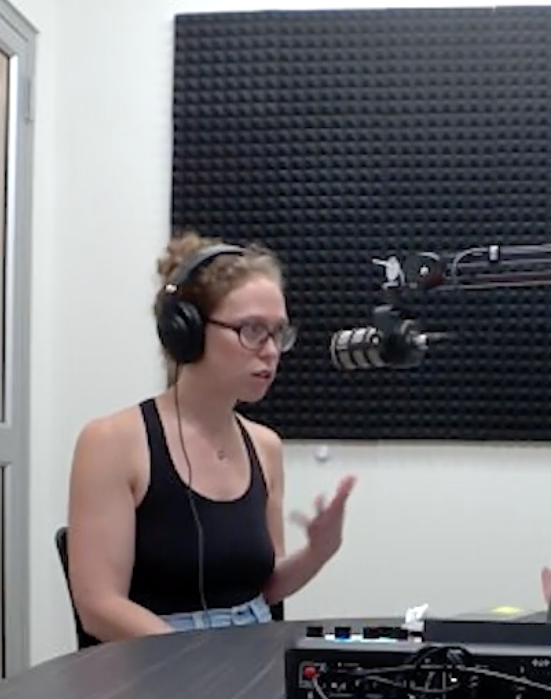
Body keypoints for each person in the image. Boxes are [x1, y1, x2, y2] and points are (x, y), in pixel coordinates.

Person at [66, 231, 356, 640]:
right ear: (188, 331)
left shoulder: (265, 447)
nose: (271, 351)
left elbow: (267, 587)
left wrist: (320, 551)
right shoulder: (112, 443)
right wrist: (202, 662)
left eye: (279, 333)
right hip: (155, 663)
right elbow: (99, 606)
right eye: (253, 330)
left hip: (247, 655)